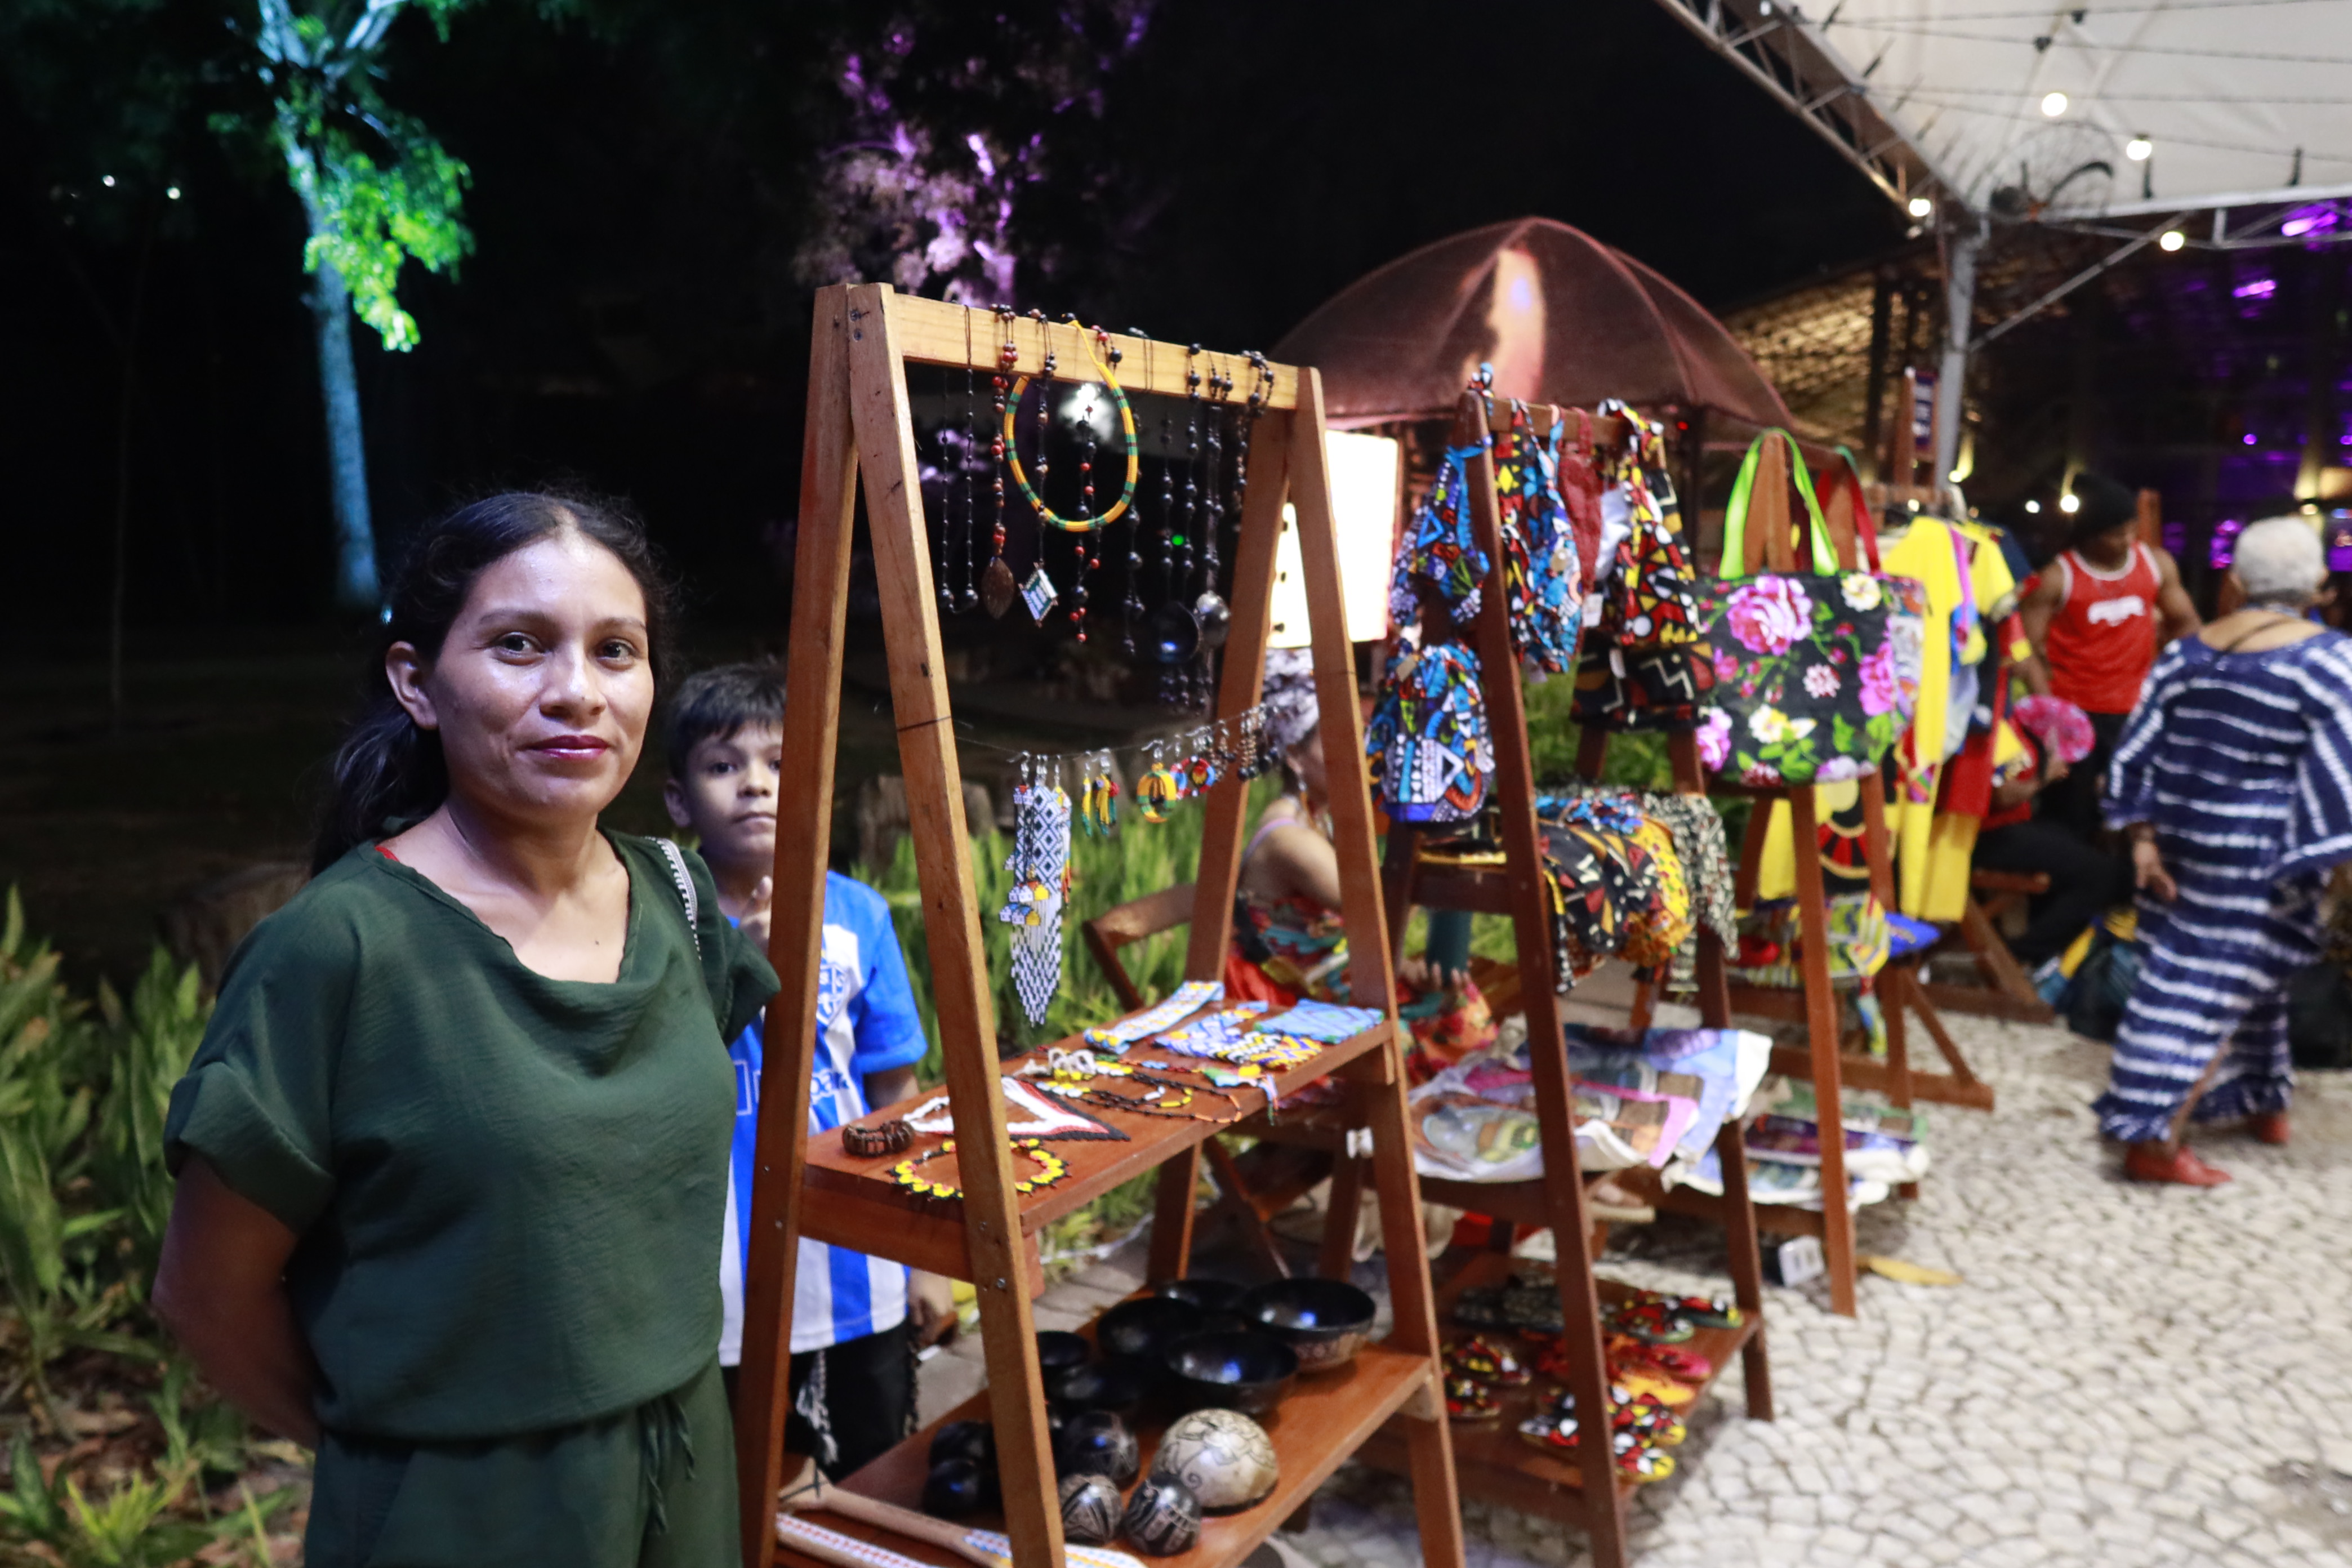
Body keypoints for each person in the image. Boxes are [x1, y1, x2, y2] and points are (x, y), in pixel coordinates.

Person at [153, 495, 775, 1566]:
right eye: (519, 645)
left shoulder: (677, 899)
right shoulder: (340, 950)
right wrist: (406, 1450)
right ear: (416, 681)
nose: (575, 690)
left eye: (615, 650)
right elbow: (207, 1293)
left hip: (684, 1476)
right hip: (459, 1513)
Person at [660, 662, 953, 1480]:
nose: (755, 785)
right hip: (714, 1276)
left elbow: (899, 1095)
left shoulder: (857, 913)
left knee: (880, 1467)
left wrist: (925, 1260)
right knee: (737, 1482)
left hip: (857, 1262)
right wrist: (738, 966)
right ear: (680, 800)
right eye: (724, 766)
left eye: (781, 765)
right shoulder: (653, 919)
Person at [2095, 516, 2352, 1185]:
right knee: (2201, 988)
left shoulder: (2186, 655)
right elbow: (2342, 771)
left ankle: (2263, 1099)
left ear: (2234, 583)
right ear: (2321, 586)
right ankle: (2152, 1140)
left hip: (2183, 842)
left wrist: (2142, 839)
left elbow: (2136, 748)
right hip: (2263, 858)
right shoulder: (2330, 662)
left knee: (2236, 974)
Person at [2017, 473, 2200, 839]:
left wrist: (2176, 679)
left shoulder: (2156, 564)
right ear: (2090, 534)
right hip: (2076, 710)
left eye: (2131, 529)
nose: (2127, 540)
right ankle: (2071, 888)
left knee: (2136, 810)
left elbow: (2186, 625)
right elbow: (2023, 648)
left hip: (2134, 709)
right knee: (2072, 813)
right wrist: (2051, 711)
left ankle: (2129, 886)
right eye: (2116, 533)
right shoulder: (2058, 577)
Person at [1970, 694, 2134, 968]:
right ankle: (2019, 955)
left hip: (2012, 825)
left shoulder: (2010, 712)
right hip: (1987, 834)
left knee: (2083, 843)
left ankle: (2047, 951)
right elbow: (1999, 796)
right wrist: (2044, 777)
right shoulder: (1988, 713)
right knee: (2103, 875)